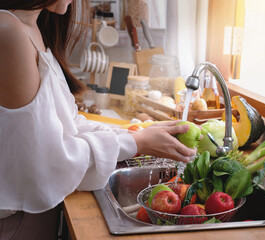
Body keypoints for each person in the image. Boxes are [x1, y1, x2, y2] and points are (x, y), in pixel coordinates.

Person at [0, 0, 196, 239]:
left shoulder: (30, 25)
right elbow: (47, 158)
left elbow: (67, 124)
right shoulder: (8, 30)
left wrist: (136, 135)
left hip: (32, 213)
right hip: (17, 222)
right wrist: (137, 143)